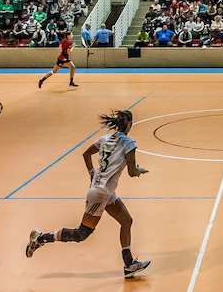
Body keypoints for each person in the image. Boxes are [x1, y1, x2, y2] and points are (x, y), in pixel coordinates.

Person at [25, 109, 151, 277]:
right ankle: (40, 238)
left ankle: (129, 264)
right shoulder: (129, 143)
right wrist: (140, 170)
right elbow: (132, 172)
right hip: (100, 194)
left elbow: (86, 154)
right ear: (130, 125)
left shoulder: (105, 138)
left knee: (126, 221)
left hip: (104, 192)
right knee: (81, 233)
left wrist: (92, 174)